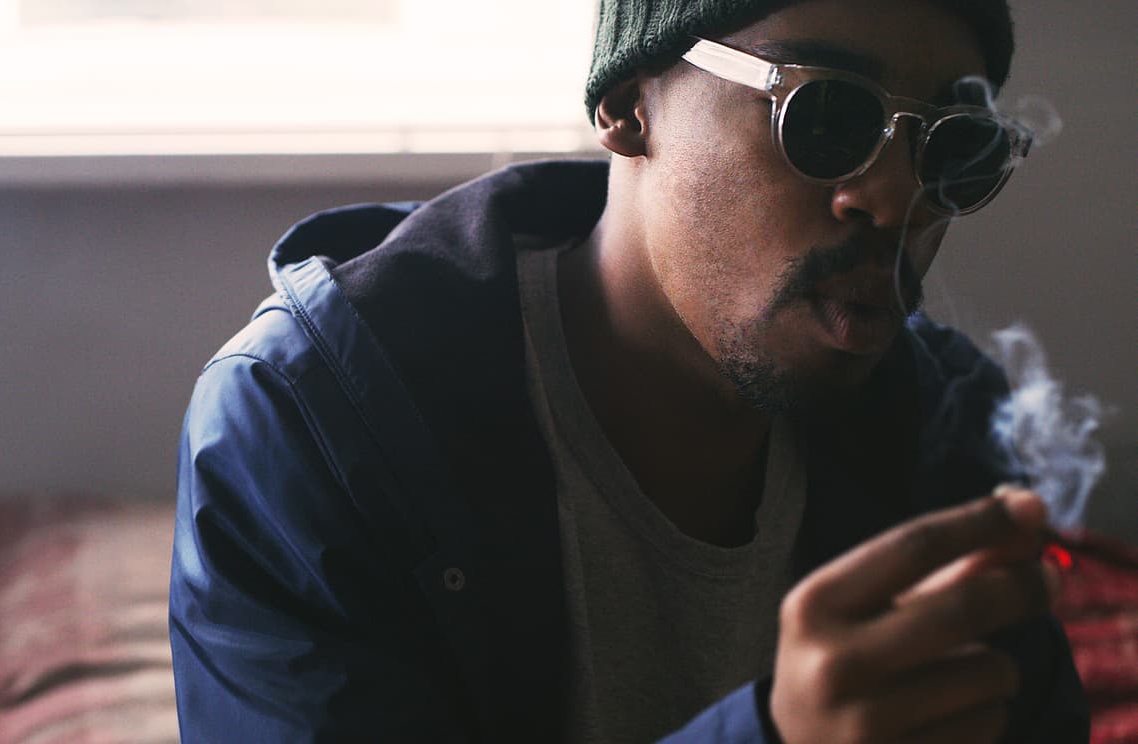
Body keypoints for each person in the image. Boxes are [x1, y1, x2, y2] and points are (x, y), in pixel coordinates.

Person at [168, 0, 1090, 740]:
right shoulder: (310, 426)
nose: (891, 199)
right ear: (626, 104)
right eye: (826, 114)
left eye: (951, 150)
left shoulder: (949, 426)